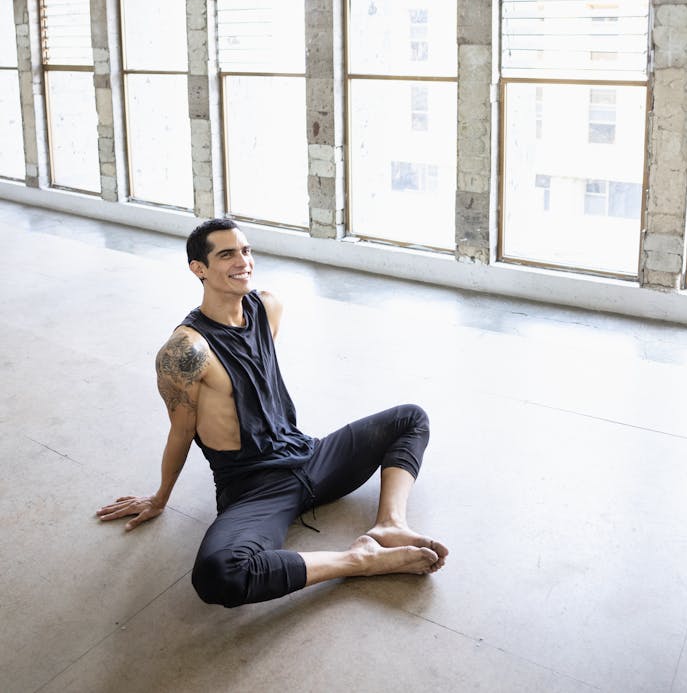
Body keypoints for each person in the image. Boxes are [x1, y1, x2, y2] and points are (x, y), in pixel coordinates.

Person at [97, 217, 448, 606]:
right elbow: (181, 432)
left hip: (310, 455)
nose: (242, 261)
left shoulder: (268, 306)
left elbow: (260, 379)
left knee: (411, 418)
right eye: (227, 254)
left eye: (246, 251)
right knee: (219, 575)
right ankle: (358, 560)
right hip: (255, 488)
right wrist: (160, 498)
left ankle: (390, 523)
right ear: (199, 269)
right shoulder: (184, 352)